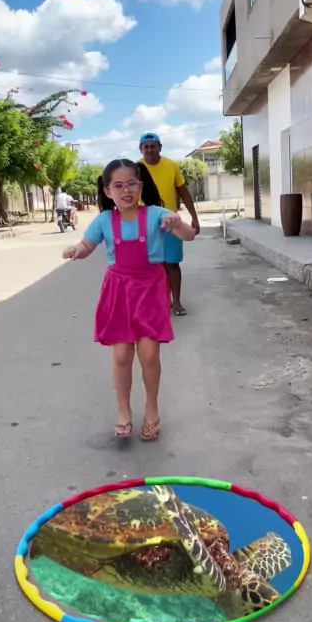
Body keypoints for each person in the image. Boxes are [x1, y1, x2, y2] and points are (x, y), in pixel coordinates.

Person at [62, 159, 195, 441]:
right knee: (121, 355)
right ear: (107, 191)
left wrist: (178, 223)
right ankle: (123, 411)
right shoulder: (104, 220)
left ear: (140, 186)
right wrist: (76, 250)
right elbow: (87, 245)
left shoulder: (158, 214)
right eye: (118, 185)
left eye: (131, 184)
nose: (126, 190)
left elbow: (189, 235)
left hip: (150, 291)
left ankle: (151, 409)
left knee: (149, 355)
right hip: (118, 292)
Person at [138, 132, 200, 316]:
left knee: (172, 263)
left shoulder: (171, 165)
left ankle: (177, 302)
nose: (149, 150)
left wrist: (194, 217)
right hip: (145, 224)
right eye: (146, 147)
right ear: (140, 149)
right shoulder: (135, 168)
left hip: (171, 223)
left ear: (160, 147)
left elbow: (183, 192)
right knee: (152, 267)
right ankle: (159, 301)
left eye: (153, 146)